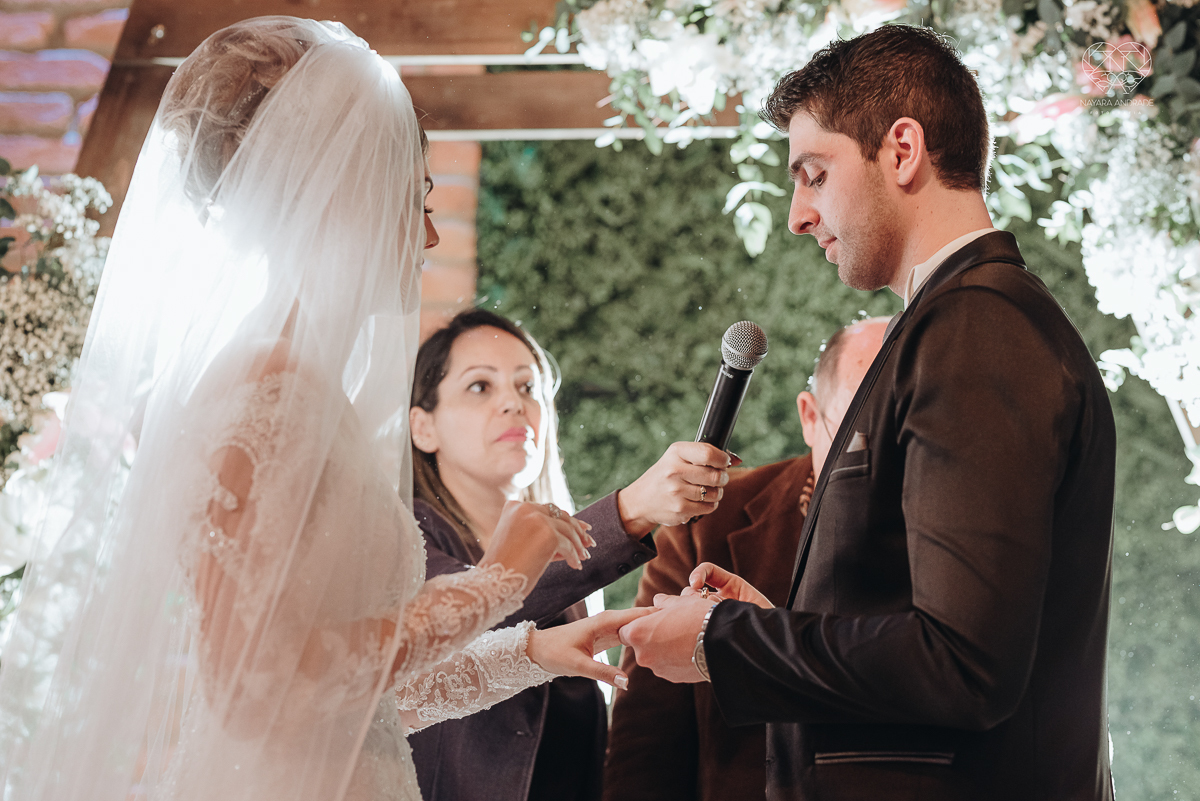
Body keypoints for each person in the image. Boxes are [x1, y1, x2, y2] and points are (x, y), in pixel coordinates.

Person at [0, 17, 652, 801]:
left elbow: (356, 702)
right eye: (418, 203)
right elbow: (261, 693)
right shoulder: (267, 398)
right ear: (342, 201)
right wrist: (498, 580)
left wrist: (530, 653)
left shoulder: (308, 393)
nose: (431, 236)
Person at [619, 24, 1117, 801]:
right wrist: (771, 623)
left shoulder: (976, 328)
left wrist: (729, 639)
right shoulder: (951, 322)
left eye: (813, 174)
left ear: (903, 149)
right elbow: (920, 616)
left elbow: (964, 664)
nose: (797, 215)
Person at [405, 308, 735, 801]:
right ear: (423, 427)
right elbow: (473, 618)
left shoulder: (565, 553)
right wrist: (632, 510)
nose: (513, 406)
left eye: (527, 387)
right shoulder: (408, 537)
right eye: (480, 387)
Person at [603, 317, 887, 801]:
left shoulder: (963, 525)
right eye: (859, 432)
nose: (886, 457)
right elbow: (647, 741)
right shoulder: (713, 521)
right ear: (810, 417)